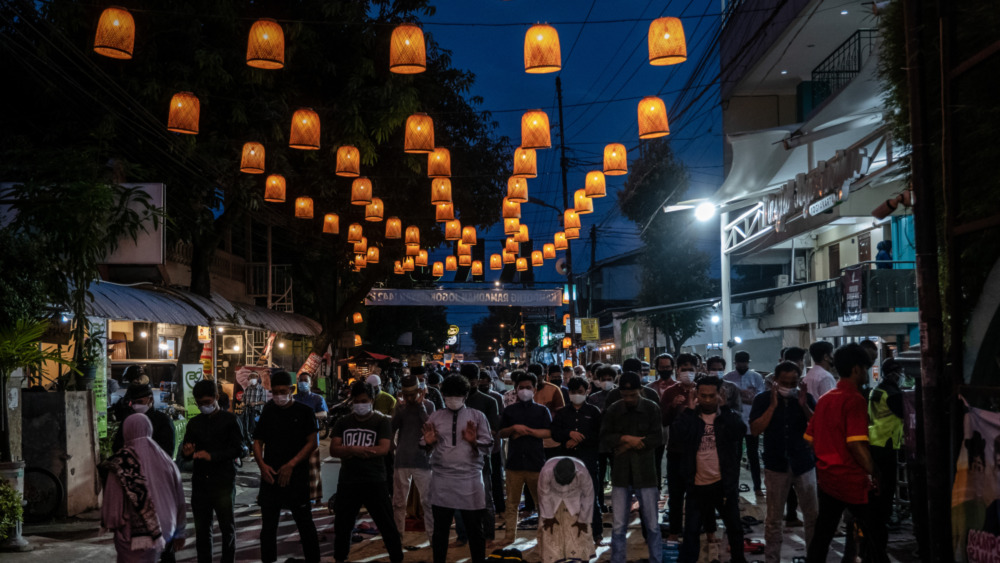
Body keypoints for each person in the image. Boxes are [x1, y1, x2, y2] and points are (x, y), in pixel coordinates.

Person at [804, 343, 887, 563]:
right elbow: (856, 445)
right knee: (875, 533)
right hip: (852, 480)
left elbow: (811, 440)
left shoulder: (826, 399)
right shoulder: (854, 400)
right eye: (866, 368)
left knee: (823, 534)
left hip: (828, 478)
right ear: (857, 369)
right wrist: (874, 471)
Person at [671, 376, 747, 563]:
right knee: (691, 531)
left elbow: (739, 431)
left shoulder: (727, 417)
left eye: (711, 396)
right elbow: (677, 435)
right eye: (702, 396)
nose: (706, 400)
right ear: (697, 394)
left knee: (735, 528)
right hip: (697, 485)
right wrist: (688, 409)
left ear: (719, 395)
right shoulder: (692, 417)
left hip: (723, 485)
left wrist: (726, 407)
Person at [749, 362, 818, 563]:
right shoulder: (762, 400)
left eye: (793, 382)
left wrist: (804, 404)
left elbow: (818, 427)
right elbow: (755, 430)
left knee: (812, 516)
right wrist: (772, 406)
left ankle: (814, 556)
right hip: (776, 464)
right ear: (775, 381)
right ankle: (772, 559)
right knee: (773, 519)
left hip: (804, 462)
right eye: (784, 382)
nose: (789, 386)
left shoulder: (806, 398)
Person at [422, 375, 494, 563]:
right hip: (441, 480)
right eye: (449, 395)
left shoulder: (477, 416)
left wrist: (474, 441)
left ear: (465, 395)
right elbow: (424, 446)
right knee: (441, 530)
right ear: (444, 395)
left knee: (474, 529)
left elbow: (489, 446)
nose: (453, 399)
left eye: (457, 395)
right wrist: (429, 443)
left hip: (470, 479)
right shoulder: (436, 416)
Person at [330, 380, 403, 563]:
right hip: (348, 481)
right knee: (343, 526)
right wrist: (355, 451)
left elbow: (384, 448)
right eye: (356, 401)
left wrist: (350, 450)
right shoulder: (343, 421)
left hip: (375, 480)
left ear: (371, 400)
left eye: (364, 401)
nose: (360, 405)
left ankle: (397, 557)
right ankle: (340, 557)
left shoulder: (380, 421)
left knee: (386, 524)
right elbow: (333, 449)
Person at [252, 371, 320, 563]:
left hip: (296, 477)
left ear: (291, 389)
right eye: (275, 392)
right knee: (268, 528)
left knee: (305, 524)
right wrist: (262, 466)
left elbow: (312, 442)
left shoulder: (304, 412)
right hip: (270, 476)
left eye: (282, 391)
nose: (278, 396)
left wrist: (291, 464)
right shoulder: (269, 409)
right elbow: (257, 441)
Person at [102, 415, 186, 563]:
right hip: (165, 529)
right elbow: (179, 498)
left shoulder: (122, 461)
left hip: (135, 536)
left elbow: (113, 509)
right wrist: (180, 531)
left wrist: (111, 523)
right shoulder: (166, 460)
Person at [599, 371, 662, 563]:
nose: (628, 399)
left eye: (632, 395)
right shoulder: (614, 409)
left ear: (640, 390)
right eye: (625, 395)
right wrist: (627, 439)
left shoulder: (651, 408)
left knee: (652, 524)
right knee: (618, 525)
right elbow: (605, 438)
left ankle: (656, 559)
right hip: (621, 473)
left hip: (646, 473)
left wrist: (625, 444)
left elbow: (657, 438)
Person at [178, 381, 243, 563]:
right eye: (200, 403)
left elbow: (239, 449)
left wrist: (212, 456)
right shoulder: (194, 423)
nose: (203, 407)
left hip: (223, 481)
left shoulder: (230, 420)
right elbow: (187, 453)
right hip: (200, 483)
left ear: (216, 397)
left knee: (227, 528)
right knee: (202, 531)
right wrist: (188, 453)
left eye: (207, 402)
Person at [498, 371, 553, 543]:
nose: (524, 391)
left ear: (534, 389)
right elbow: (501, 432)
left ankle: (544, 537)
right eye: (521, 388)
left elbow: (549, 432)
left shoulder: (542, 411)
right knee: (512, 504)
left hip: (536, 463)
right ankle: (509, 537)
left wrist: (527, 431)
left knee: (541, 504)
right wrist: (514, 428)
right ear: (515, 390)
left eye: (528, 388)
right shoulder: (510, 411)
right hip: (514, 463)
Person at [550, 376, 603, 546]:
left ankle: (596, 534)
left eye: (580, 392)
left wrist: (580, 439)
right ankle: (571, 533)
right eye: (573, 392)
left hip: (588, 461)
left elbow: (599, 435)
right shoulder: (562, 413)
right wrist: (568, 435)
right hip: (567, 463)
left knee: (591, 498)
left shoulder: (594, 412)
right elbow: (554, 433)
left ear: (587, 391)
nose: (576, 395)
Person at [457, 363, 501, 544]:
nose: (473, 382)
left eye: (474, 379)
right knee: (459, 498)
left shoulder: (489, 401)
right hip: (458, 458)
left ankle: (488, 535)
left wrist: (474, 439)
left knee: (485, 498)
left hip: (481, 457)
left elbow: (493, 431)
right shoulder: (457, 402)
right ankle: (462, 536)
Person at [391, 375, 436, 545]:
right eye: (406, 394)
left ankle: (433, 539)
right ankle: (397, 539)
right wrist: (400, 410)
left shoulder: (429, 405)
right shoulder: (400, 406)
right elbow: (392, 427)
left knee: (428, 502)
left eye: (413, 394)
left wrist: (420, 406)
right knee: (398, 503)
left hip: (423, 459)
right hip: (402, 459)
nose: (409, 398)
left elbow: (430, 426)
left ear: (419, 391)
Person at [659, 354, 699, 539]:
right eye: (684, 369)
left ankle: (694, 531)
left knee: (696, 495)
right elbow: (664, 420)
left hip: (698, 451)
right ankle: (674, 531)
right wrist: (672, 406)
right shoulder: (670, 392)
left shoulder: (702, 391)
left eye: (691, 369)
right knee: (675, 495)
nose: (687, 373)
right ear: (677, 370)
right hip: (675, 449)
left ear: (697, 370)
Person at [723, 351, 767, 496]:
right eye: (739, 362)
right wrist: (746, 396)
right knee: (735, 456)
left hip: (751, 422)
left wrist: (742, 396)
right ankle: (733, 486)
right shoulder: (728, 378)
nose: (742, 365)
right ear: (735, 362)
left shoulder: (756, 377)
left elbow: (759, 399)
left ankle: (757, 487)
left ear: (748, 362)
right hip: (734, 423)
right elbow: (726, 400)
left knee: (753, 456)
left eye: (744, 362)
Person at [868, 358, 905, 528]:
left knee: (879, 482)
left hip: (875, 438)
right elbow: (903, 414)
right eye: (901, 373)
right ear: (895, 374)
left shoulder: (877, 389)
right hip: (887, 441)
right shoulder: (893, 394)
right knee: (887, 484)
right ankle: (885, 516)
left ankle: (878, 514)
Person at [537, 457, 595, 563]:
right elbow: (543, 495)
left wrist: (583, 520)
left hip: (574, 496)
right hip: (552, 497)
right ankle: (553, 557)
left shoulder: (582, 472)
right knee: (550, 528)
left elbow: (588, 496)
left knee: (579, 530)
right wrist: (549, 516)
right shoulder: (546, 471)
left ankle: (579, 556)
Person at [112, 383, 176, 458]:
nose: (136, 406)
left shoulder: (163, 421)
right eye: (133, 403)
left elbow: (167, 451)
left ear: (151, 399)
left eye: (140, 402)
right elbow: (117, 446)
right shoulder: (128, 421)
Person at [294, 372, 328, 505]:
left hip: (312, 441)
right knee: (297, 471)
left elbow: (323, 414)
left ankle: (315, 498)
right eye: (300, 380)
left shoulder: (317, 399)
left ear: (310, 383)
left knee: (313, 471)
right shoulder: (293, 398)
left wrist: (308, 416)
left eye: (305, 380)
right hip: (296, 441)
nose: (302, 383)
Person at [478, 369, 508, 516]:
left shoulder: (496, 397)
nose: (483, 386)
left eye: (486, 383)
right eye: (480, 383)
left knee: (496, 477)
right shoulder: (473, 398)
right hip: (476, 444)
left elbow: (500, 419)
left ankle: (500, 508)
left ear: (490, 383)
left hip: (494, 444)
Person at [588, 365, 617, 511]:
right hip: (599, 442)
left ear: (614, 379)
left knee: (617, 476)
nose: (606, 382)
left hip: (616, 443)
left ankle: (617, 504)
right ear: (598, 380)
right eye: (603, 379)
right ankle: (600, 504)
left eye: (609, 379)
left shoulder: (620, 395)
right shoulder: (593, 398)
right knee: (598, 476)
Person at [241, 372, 268, 446]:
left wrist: (255, 403)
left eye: (254, 377)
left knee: (256, 430)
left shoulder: (261, 389)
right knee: (246, 429)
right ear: (248, 379)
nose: (252, 379)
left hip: (257, 413)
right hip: (247, 412)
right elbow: (243, 399)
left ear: (257, 378)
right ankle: (249, 445)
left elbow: (264, 401)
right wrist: (243, 403)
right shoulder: (247, 389)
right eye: (251, 377)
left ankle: (257, 445)